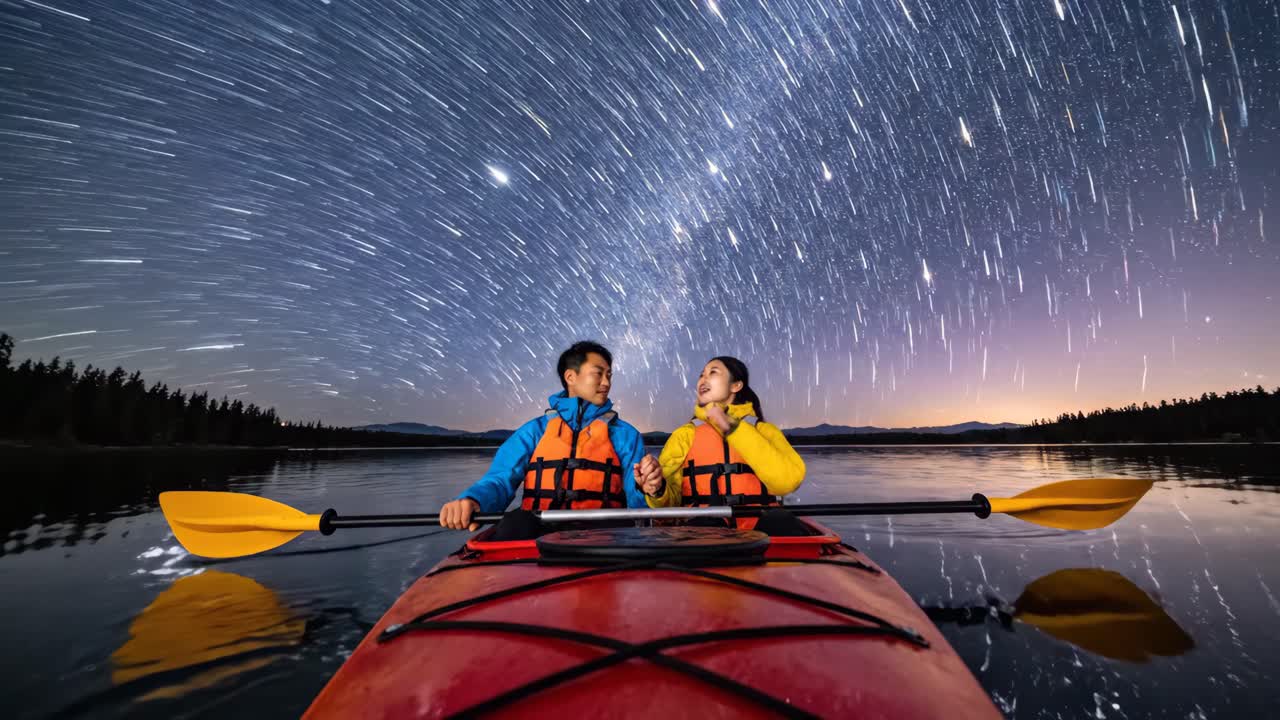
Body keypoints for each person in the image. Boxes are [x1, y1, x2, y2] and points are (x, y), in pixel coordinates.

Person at [439, 341, 647, 539]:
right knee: (515, 523)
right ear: (570, 377)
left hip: (605, 534)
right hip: (539, 532)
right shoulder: (534, 431)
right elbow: (500, 479)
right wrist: (474, 500)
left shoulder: (626, 435)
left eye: (609, 376)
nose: (606, 383)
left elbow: (638, 501)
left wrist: (647, 488)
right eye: (598, 374)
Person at [634, 356, 808, 535]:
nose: (703, 379)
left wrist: (732, 427)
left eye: (713, 372)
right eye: (701, 375)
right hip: (704, 531)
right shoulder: (684, 435)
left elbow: (787, 482)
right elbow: (669, 507)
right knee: (705, 524)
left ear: (736, 386)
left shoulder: (764, 431)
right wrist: (657, 488)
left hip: (760, 531)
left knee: (781, 520)